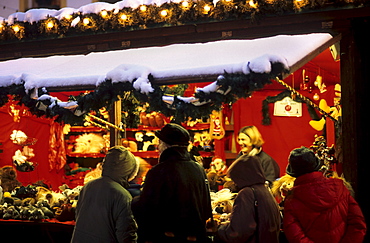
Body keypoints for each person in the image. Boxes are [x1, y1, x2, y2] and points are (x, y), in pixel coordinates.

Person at [132, 123, 213, 243]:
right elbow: (206, 207)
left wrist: (133, 202)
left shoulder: (158, 171)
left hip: (167, 237)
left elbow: (148, 209)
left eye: (159, 143)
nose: (158, 147)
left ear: (166, 146)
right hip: (195, 237)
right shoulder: (198, 169)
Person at [283, 146, 367, 243]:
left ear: (293, 172)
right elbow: (358, 224)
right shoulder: (340, 188)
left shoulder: (292, 200)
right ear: (317, 166)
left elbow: (295, 236)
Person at [71, 146, 139, 243]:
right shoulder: (122, 195)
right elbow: (126, 234)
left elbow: (78, 215)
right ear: (128, 170)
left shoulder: (89, 186)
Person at [211, 155, 281, 243]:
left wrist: (219, 229)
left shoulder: (247, 193)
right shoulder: (264, 190)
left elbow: (239, 231)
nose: (234, 183)